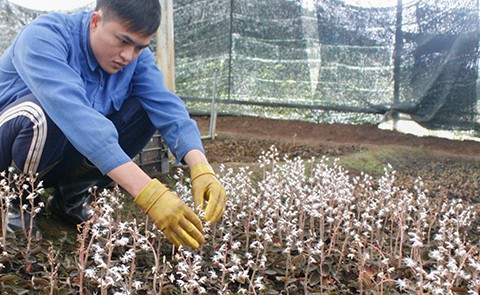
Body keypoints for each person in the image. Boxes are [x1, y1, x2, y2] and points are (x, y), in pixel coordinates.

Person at [0, 0, 226, 249]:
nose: (128, 56)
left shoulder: (136, 60)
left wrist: (201, 166)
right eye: (123, 41)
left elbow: (166, 106)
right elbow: (74, 115)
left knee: (145, 109)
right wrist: (149, 194)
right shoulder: (43, 38)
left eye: (139, 47)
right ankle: (14, 204)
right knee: (42, 113)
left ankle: (70, 200)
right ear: (96, 21)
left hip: (57, 152)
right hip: (11, 147)